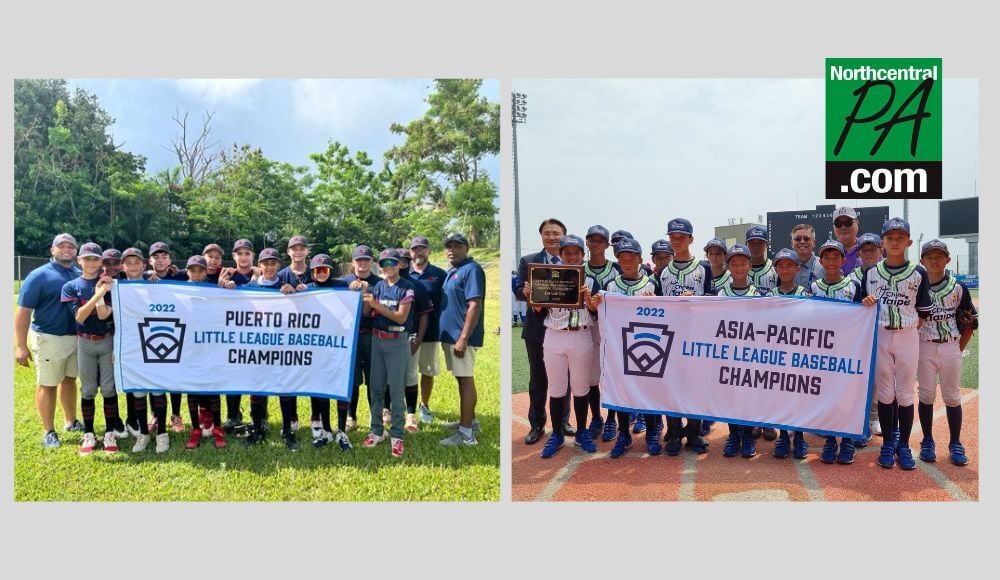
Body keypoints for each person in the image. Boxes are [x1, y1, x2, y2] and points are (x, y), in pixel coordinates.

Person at [860, 218, 933, 470]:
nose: (894, 242)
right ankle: (888, 442)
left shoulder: (918, 272)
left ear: (908, 242)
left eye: (900, 238)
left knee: (903, 392)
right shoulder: (870, 273)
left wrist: (908, 329)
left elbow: (923, 310)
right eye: (890, 238)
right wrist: (866, 302)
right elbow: (861, 307)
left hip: (907, 335)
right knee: (886, 393)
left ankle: (903, 444)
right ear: (882, 242)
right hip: (880, 335)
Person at [527, 234, 599, 458]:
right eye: (567, 253)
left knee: (581, 388)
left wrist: (588, 298)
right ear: (560, 254)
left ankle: (582, 432)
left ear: (582, 255)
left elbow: (595, 312)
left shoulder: (590, 280)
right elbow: (539, 311)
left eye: (576, 253)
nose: (572, 256)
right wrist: (532, 297)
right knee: (557, 389)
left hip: (581, 335)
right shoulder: (548, 276)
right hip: (554, 335)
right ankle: (556, 434)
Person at [16, 233, 84, 448]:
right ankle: (48, 431)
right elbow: (24, 312)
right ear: (52, 250)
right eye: (61, 246)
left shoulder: (79, 273)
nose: (66, 249)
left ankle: (71, 421)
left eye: (71, 246)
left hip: (76, 337)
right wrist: (20, 346)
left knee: (70, 380)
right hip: (49, 337)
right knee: (48, 384)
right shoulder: (39, 275)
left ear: (76, 251)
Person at [916, 239, 977, 466]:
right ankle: (928, 440)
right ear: (921, 260)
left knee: (952, 395)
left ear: (947, 259)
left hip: (950, 344)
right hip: (924, 345)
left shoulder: (958, 287)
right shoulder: (915, 286)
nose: (934, 259)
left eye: (939, 255)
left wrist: (957, 349)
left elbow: (971, 322)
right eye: (929, 256)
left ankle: (955, 443)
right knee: (926, 395)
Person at [657, 218, 712, 454]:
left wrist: (697, 299)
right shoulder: (662, 272)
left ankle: (693, 433)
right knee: (672, 387)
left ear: (691, 239)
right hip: (670, 337)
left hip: (696, 336)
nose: (677, 241)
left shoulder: (704, 268)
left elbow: (713, 299)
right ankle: (673, 433)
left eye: (681, 237)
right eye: (673, 237)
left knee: (695, 387)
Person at [60, 243, 120, 455]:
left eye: (96, 259)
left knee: (108, 389)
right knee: (87, 389)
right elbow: (80, 317)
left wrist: (103, 292)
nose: (92, 263)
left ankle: (110, 432)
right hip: (84, 342)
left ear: (100, 262)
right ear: (80, 260)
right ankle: (89, 433)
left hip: (107, 340)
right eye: (88, 259)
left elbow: (103, 315)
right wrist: (97, 293)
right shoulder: (71, 286)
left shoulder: (110, 283)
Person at [600, 237, 658, 458]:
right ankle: (623, 433)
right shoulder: (611, 286)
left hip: (649, 344)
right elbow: (601, 314)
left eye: (631, 257)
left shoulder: (652, 284)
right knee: (621, 391)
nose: (626, 261)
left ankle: (652, 431)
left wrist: (654, 301)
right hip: (619, 346)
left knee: (650, 390)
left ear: (640, 259)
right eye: (622, 257)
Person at [810, 240, 864, 464]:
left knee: (848, 396)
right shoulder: (814, 288)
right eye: (826, 258)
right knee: (828, 395)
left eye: (835, 258)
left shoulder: (854, 285)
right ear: (820, 261)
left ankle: (848, 440)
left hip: (848, 349)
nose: (831, 262)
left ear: (843, 260)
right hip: (823, 350)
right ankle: (831, 439)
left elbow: (864, 316)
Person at [516, 218, 567, 445]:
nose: (552, 237)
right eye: (547, 233)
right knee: (538, 379)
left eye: (556, 233)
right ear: (541, 236)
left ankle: (562, 422)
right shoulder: (528, 262)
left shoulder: (572, 261)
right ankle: (537, 424)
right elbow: (518, 289)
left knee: (563, 378)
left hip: (565, 328)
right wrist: (525, 291)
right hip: (537, 329)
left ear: (563, 236)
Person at [362, 250, 416, 458]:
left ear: (400, 264)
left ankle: (397, 435)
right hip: (378, 339)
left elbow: (401, 318)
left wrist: (377, 305)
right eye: (385, 263)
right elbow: (367, 312)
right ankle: (376, 430)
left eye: (393, 263)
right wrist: (365, 295)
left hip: (397, 341)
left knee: (396, 391)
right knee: (376, 387)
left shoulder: (406, 287)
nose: (389, 267)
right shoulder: (378, 286)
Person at [438, 233, 487, 447]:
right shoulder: (454, 271)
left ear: (466, 248)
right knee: (460, 378)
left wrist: (463, 338)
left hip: (461, 337)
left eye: (457, 246)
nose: (452, 249)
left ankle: (466, 434)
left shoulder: (471, 269)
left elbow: (474, 305)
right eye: (448, 246)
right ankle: (469, 421)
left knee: (466, 379)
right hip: (452, 336)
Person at [119, 248, 170, 453]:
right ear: (123, 266)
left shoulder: (154, 284)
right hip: (131, 346)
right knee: (138, 392)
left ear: (144, 264)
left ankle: (162, 434)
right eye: (128, 262)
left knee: (158, 389)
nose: (132, 265)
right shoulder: (117, 287)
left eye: (136, 262)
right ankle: (143, 434)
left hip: (154, 340)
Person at [304, 254, 354, 451]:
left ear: (330, 270)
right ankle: (325, 430)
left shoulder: (342, 286)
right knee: (321, 388)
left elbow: (359, 290)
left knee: (340, 388)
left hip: (339, 346)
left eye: (325, 269)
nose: (322, 273)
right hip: (317, 349)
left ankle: (342, 431)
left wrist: (360, 288)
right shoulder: (306, 289)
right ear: (312, 272)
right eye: (318, 270)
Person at [718, 244, 764, 459]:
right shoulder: (721, 293)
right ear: (728, 267)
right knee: (730, 397)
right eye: (734, 263)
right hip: (728, 353)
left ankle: (747, 436)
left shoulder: (759, 294)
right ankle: (733, 434)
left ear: (749, 266)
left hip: (751, 354)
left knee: (749, 396)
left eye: (742, 263)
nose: (738, 267)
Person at [179, 255, 227, 451]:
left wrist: (227, 290)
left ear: (207, 271)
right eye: (193, 270)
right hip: (189, 346)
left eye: (201, 270)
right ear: (187, 271)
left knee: (212, 388)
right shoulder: (177, 290)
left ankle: (218, 427)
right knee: (193, 389)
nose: (197, 274)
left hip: (210, 344)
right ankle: (196, 428)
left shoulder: (214, 289)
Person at [769, 248, 811, 460]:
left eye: (789, 265)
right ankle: (784, 435)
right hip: (776, 356)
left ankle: (800, 436)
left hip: (799, 355)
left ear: (797, 268)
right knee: (780, 397)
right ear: (775, 269)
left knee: (799, 397)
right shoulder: (768, 296)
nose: (785, 270)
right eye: (781, 265)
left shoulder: (806, 294)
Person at [583, 225, 621, 440]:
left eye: (600, 240)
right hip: (586, 326)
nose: (595, 243)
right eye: (592, 239)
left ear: (607, 244)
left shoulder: (617, 269)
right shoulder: (578, 269)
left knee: (612, 374)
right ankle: (596, 416)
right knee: (590, 377)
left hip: (611, 329)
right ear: (587, 242)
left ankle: (611, 419)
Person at [148, 241, 189, 433]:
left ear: (170, 260)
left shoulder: (179, 276)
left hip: (177, 331)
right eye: (156, 257)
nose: (160, 260)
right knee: (153, 377)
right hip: (151, 332)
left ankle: (175, 414)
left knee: (174, 377)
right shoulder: (143, 279)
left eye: (164, 257)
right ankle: (155, 415)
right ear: (150, 260)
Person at [407, 235, 449, 424]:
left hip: (431, 331)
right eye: (415, 249)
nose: (419, 252)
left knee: (428, 370)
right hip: (407, 332)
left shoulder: (439, 274)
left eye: (423, 248)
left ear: (429, 250)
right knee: (406, 371)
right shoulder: (403, 273)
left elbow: (446, 303)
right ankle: (406, 408)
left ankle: (424, 405)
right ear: (410, 252)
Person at [218, 238, 257, 433]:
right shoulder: (226, 275)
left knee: (256, 374)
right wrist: (222, 285)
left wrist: (257, 278)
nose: (243, 257)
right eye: (239, 253)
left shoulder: (260, 273)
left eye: (247, 253)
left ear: (253, 256)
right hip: (232, 334)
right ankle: (233, 415)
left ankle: (260, 415)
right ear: (233, 256)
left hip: (257, 333)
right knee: (232, 374)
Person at [341, 245, 381, 433]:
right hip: (351, 337)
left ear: (372, 262)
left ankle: (376, 419)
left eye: (366, 259)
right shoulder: (344, 282)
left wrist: (367, 297)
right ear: (353, 262)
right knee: (352, 379)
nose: (363, 263)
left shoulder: (379, 283)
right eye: (359, 260)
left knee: (374, 380)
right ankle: (351, 417)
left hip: (373, 336)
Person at [395, 249, 434, 433]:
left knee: (410, 375)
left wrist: (418, 339)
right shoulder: (384, 283)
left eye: (404, 261)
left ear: (409, 262)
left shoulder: (417, 286)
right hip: (388, 337)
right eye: (397, 261)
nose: (401, 264)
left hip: (409, 337)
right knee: (390, 376)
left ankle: (410, 415)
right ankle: (392, 411)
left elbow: (424, 315)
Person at [849, 232, 885, 437]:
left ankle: (874, 416)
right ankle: (856, 416)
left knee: (879, 377)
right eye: (865, 249)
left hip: (881, 332)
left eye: (873, 248)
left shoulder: (887, 273)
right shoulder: (852, 277)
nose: (869, 252)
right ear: (859, 253)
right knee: (857, 376)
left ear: (881, 250)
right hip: (858, 336)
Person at [789, 224, 825, 289]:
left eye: (806, 239)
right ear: (792, 243)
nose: (802, 241)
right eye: (798, 239)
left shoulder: (824, 265)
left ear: (814, 242)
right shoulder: (785, 267)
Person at [832, 207, 864, 276]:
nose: (843, 227)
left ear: (857, 222)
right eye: (838, 224)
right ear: (833, 226)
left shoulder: (869, 248)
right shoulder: (827, 252)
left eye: (848, 223)